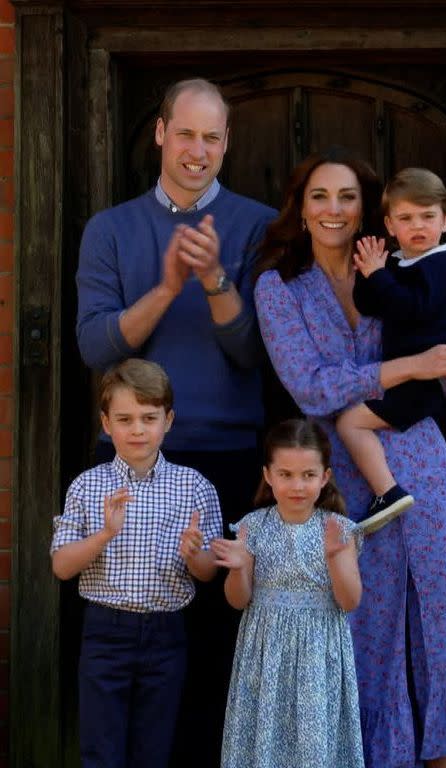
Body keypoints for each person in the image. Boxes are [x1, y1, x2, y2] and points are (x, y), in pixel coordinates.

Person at [253, 147, 446, 768]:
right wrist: (415, 365)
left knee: (442, 625)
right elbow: (310, 386)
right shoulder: (279, 287)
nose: (333, 209)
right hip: (344, 479)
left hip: (425, 459)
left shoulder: (401, 264)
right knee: (366, 634)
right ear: (300, 209)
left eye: (347, 197)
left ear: (370, 211)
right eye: (319, 196)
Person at [75, 77, 277, 763]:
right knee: (127, 639)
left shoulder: (258, 225)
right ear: (160, 132)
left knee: (216, 639)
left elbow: (253, 352)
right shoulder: (111, 229)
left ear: (227, 144)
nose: (197, 150)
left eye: (211, 137)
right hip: (130, 458)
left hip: (225, 455)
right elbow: (97, 347)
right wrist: (166, 287)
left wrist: (216, 278)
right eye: (185, 133)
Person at [50, 359, 223, 768]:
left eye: (149, 418)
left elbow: (208, 572)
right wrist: (105, 534)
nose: (138, 430)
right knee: (101, 749)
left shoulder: (194, 486)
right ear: (106, 424)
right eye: (125, 419)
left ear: (169, 420)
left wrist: (193, 553)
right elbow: (61, 567)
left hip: (166, 634)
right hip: (105, 632)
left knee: (154, 749)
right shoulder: (88, 486)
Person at [210, 419, 364, 768]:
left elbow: (350, 601)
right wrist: (237, 567)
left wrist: (337, 559)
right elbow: (238, 600)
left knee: (313, 745)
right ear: (268, 475)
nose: (297, 485)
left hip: (318, 652)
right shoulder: (253, 526)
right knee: (265, 740)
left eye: (308, 475)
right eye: (286, 474)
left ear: (325, 477)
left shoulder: (338, 530)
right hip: (266, 652)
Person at [336, 168, 446, 533]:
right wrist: (369, 272)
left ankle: (387, 493)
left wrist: (380, 275)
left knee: (350, 422)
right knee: (421, 452)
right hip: (405, 377)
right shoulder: (400, 263)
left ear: (445, 220)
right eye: (406, 218)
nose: (418, 226)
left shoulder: (441, 266)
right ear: (390, 226)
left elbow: (413, 309)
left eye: (428, 216)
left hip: (422, 383)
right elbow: (370, 304)